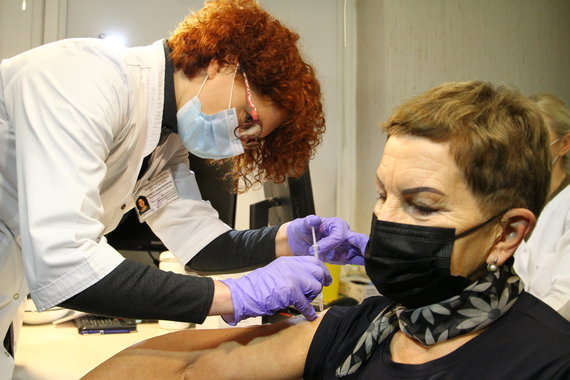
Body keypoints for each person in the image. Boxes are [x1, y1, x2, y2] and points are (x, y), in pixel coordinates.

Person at [83, 81, 570, 380]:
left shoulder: (548, 363)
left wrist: (230, 293)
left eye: (421, 206)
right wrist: (250, 278)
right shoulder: (367, 328)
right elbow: (185, 368)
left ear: (506, 234)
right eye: (383, 195)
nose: (388, 221)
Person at [0, 0, 367, 377]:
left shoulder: (165, 141)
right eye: (248, 119)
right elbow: (67, 262)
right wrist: (233, 296)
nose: (240, 141)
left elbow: (203, 244)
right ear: (222, 61)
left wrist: (291, 238)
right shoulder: (86, 78)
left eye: (252, 139)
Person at [514, 93, 570, 319]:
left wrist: (524, 329)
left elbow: (565, 296)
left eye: (538, 140)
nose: (527, 151)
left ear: (564, 144)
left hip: (552, 333)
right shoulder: (512, 199)